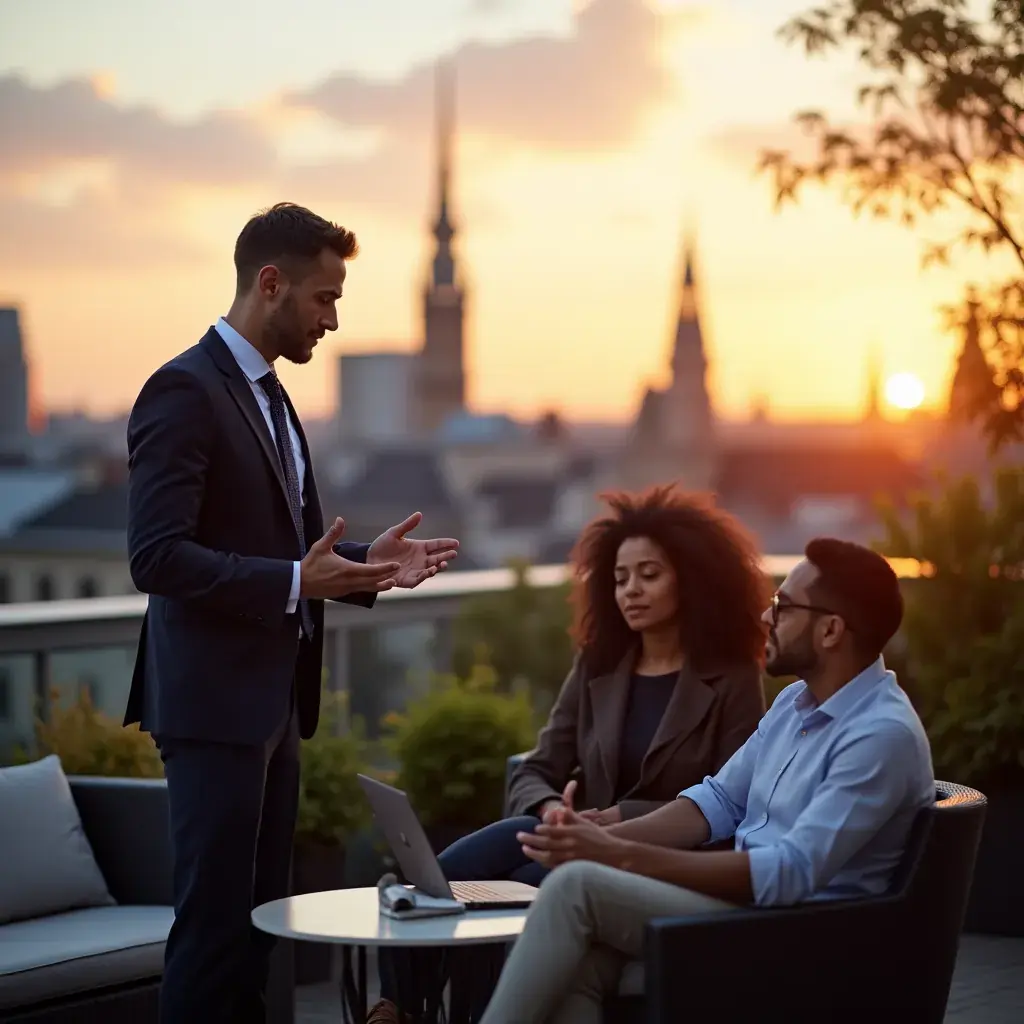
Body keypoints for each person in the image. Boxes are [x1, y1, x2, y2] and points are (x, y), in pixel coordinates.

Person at [123, 202, 459, 1024]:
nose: (333, 320)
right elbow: (155, 557)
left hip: (273, 705)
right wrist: (294, 583)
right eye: (323, 298)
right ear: (269, 284)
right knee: (212, 939)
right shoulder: (183, 390)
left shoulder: (273, 399)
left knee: (259, 933)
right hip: (213, 708)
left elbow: (302, 558)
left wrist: (370, 565)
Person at [478, 537, 935, 1024]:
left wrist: (618, 855)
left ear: (830, 631)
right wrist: (598, 837)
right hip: (753, 912)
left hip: (801, 935)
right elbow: (715, 801)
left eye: (783, 606)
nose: (767, 618)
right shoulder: (794, 705)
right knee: (579, 966)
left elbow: (790, 873)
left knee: (576, 888)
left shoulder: (879, 735)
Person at [370, 485, 770, 1023]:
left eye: (650, 575)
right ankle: (398, 1010)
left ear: (690, 579)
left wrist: (615, 820)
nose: (632, 590)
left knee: (518, 894)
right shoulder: (599, 666)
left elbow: (732, 804)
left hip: (655, 857)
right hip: (569, 831)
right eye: (621, 578)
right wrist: (551, 809)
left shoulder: (732, 679)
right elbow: (536, 767)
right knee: (439, 874)